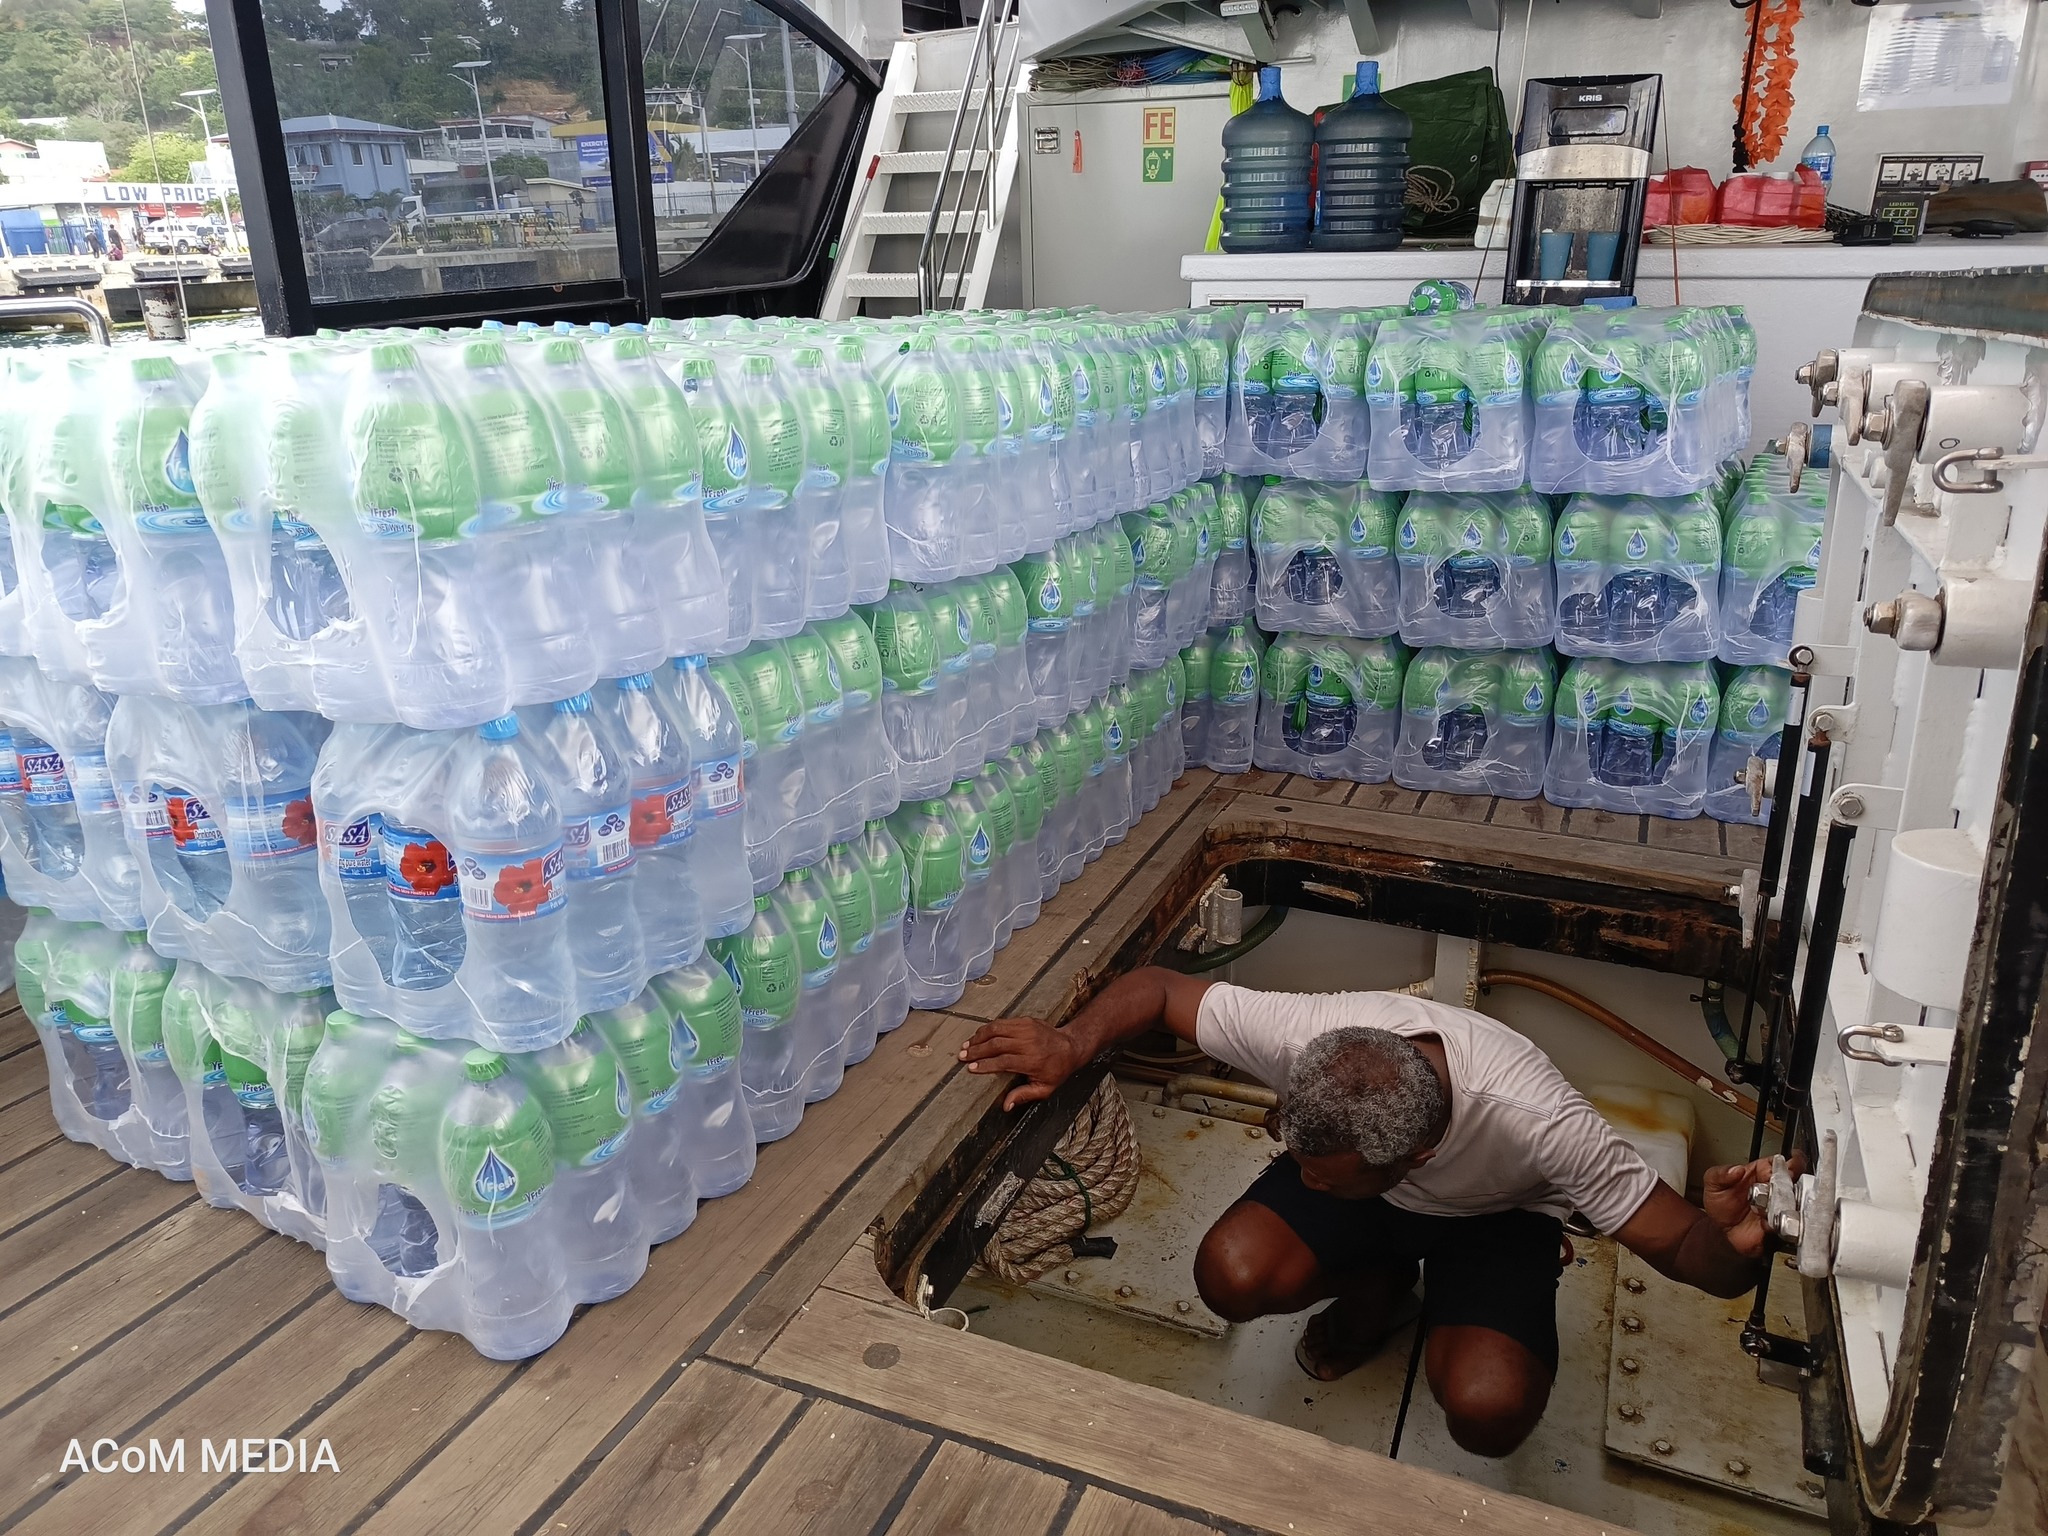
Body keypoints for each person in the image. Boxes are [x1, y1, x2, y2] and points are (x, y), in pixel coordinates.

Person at [959, 967, 1783, 1458]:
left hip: (1495, 1219)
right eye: (1299, 1159)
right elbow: (1160, 989)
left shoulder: (1543, 1127)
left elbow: (1688, 1253)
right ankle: (1378, 1289)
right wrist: (1073, 1043)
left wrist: (1737, 1243)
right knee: (1230, 1275)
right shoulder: (1310, 1033)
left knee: (1489, 1413)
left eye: (1322, 1177)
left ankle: (1420, 1286)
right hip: (1380, 1205)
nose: (1303, 1182)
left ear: (1415, 1155)